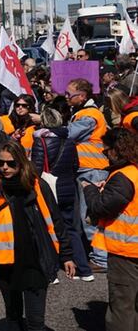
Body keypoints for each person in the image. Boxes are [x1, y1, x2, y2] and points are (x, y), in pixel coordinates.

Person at [0, 141, 75, 331]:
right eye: (1, 163)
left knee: (36, 322)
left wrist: (67, 255)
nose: (4, 167)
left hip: (36, 262)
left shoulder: (38, 185)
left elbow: (56, 220)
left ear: (21, 163)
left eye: (11, 163)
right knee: (13, 318)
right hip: (6, 265)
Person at [84, 128, 138, 330]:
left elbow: (101, 207)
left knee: (122, 307)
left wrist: (89, 190)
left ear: (116, 150)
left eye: (106, 151)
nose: (104, 155)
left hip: (126, 252)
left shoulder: (125, 176)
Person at [31, 107, 93, 281]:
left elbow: (36, 168)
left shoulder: (40, 141)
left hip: (48, 189)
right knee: (71, 228)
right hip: (67, 187)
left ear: (43, 121)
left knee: (45, 228)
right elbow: (75, 166)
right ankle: (84, 269)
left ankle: (51, 272)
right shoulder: (69, 141)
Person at [67, 78, 110, 272]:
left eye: (70, 94)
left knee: (90, 214)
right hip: (88, 169)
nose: (66, 97)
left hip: (92, 170)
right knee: (87, 214)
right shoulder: (85, 112)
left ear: (82, 96)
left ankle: (101, 258)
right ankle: (98, 255)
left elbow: (68, 133)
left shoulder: (89, 115)